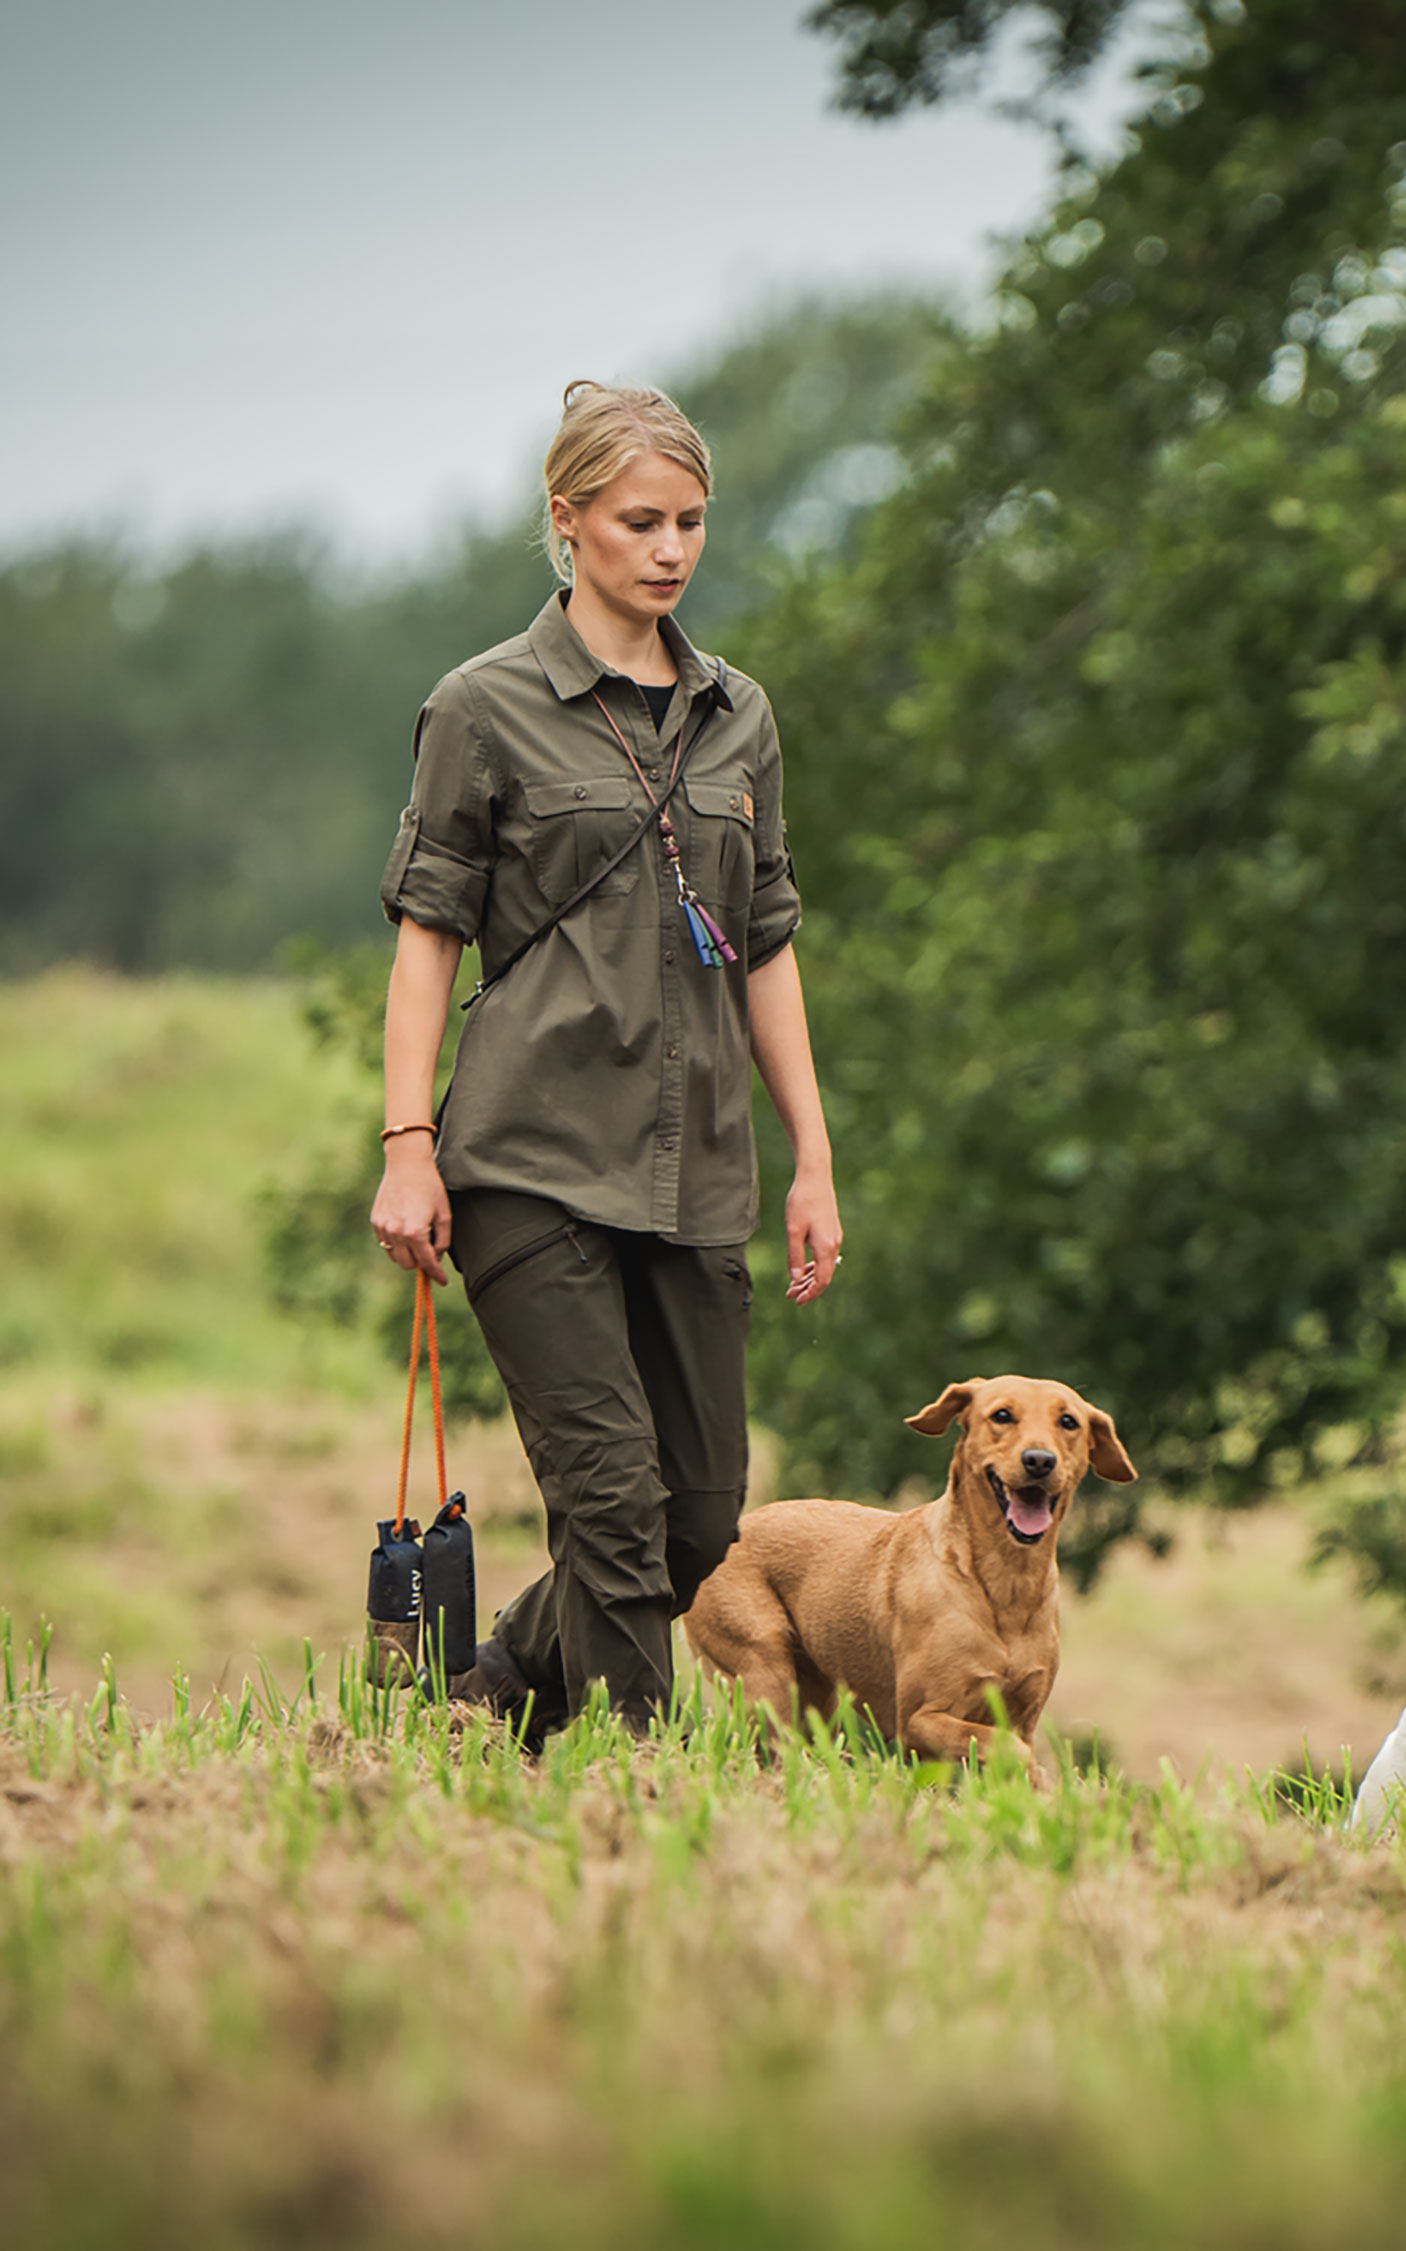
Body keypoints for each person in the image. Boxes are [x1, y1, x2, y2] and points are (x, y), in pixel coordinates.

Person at [370, 380, 842, 1737]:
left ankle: (499, 1681)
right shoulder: (481, 707)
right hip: (528, 1157)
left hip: (700, 1172)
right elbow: (424, 943)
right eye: (641, 520)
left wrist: (810, 1156)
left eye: (691, 520)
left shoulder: (738, 716)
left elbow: (765, 943)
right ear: (567, 521)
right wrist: (409, 1149)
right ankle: (633, 1792)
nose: (671, 548)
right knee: (611, 1505)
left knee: (696, 1523)